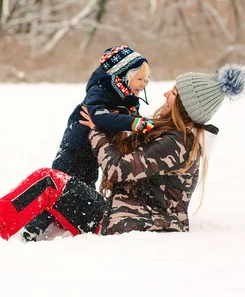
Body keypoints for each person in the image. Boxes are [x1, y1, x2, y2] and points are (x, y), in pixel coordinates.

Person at [0, 63, 245, 241]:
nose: (164, 92)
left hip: (128, 223)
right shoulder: (173, 135)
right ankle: (15, 230)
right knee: (56, 181)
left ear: (185, 104)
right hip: (123, 215)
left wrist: (95, 131)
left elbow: (119, 170)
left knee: (49, 181)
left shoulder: (177, 142)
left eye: (174, 92)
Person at [23, 45, 153, 241]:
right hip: (73, 151)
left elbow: (129, 118)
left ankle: (75, 221)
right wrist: (133, 122)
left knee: (85, 188)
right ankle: (34, 227)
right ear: (123, 74)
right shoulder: (99, 91)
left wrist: (135, 120)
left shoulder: (128, 97)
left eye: (147, 80)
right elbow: (99, 117)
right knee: (59, 188)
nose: (144, 84)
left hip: (92, 155)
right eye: (140, 78)